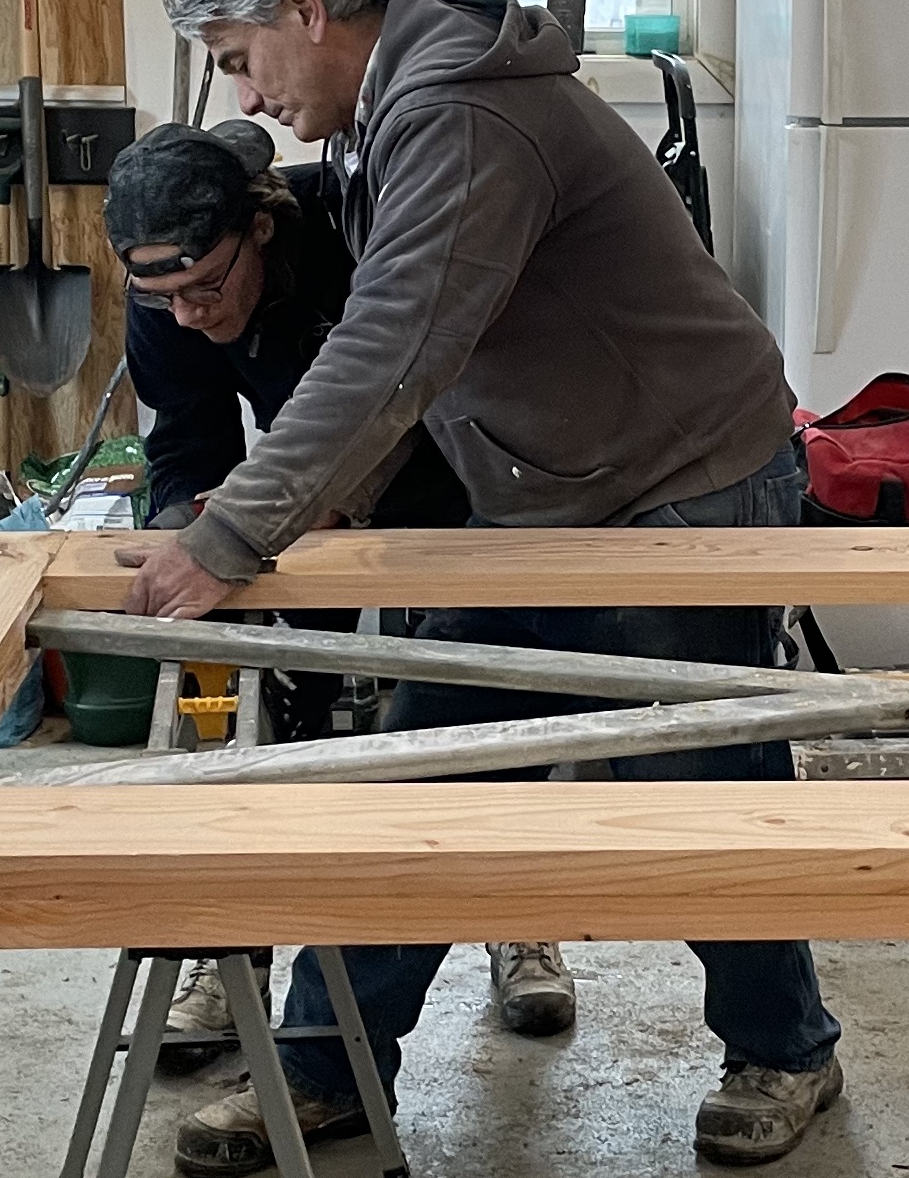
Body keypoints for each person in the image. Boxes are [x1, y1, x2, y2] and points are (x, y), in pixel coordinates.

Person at [116, 0, 843, 1178]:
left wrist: (228, 536)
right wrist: (314, 504)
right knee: (424, 772)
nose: (247, 95)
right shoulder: (387, 111)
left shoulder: (455, 113)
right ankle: (327, 1070)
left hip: (681, 477)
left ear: (305, 11)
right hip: (552, 488)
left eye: (239, 57)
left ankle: (785, 1051)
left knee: (692, 783)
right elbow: (415, 361)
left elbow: (394, 344)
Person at [103, 119, 575, 1049]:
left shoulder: (355, 234)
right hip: (295, 501)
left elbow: (417, 387)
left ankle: (516, 915)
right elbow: (188, 433)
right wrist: (185, 528)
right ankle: (231, 957)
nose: (187, 315)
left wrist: (334, 498)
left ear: (260, 228)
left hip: (447, 475)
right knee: (251, 710)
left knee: (484, 707)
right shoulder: (167, 298)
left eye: (205, 288)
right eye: (163, 298)